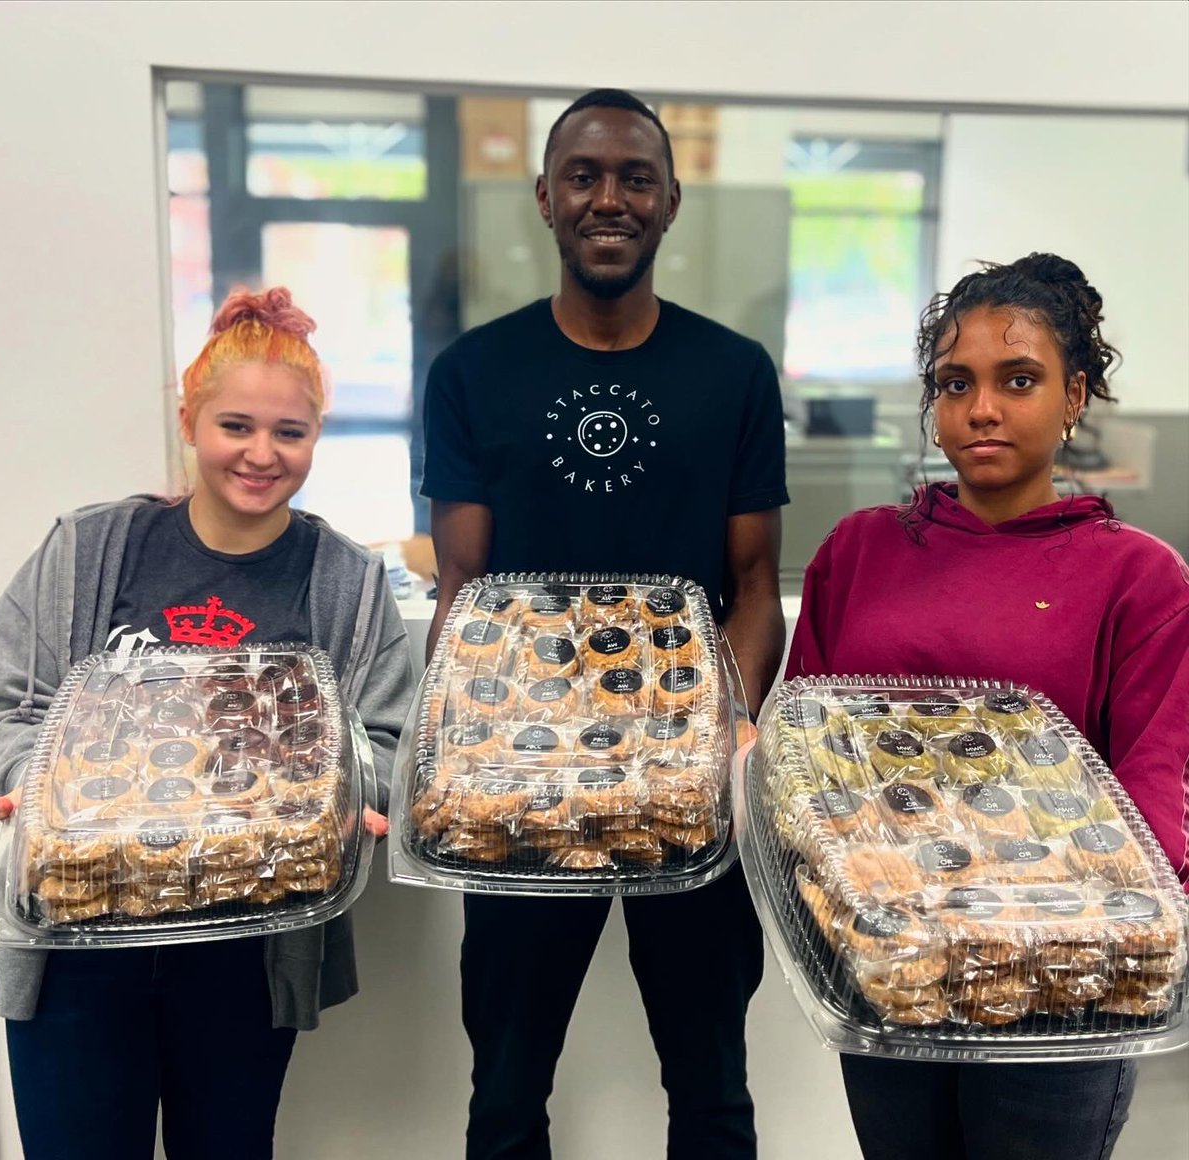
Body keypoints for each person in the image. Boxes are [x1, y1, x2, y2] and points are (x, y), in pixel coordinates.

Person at [421, 88, 789, 1159]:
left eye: (635, 177)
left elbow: (755, 584)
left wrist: (730, 728)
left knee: (714, 1085)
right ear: (546, 196)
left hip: (687, 787)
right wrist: (457, 753)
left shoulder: (733, 373)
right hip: (523, 784)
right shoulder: (473, 375)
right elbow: (463, 588)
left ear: (670, 201)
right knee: (505, 1090)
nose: (609, 197)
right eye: (584, 175)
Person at [0, 287, 415, 1160]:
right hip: (78, 939)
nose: (261, 454)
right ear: (190, 420)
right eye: (235, 426)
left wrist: (340, 798)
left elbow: (383, 744)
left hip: (246, 947)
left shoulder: (343, 579)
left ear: (315, 440)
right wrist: (41, 792)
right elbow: (10, 705)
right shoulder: (92, 547)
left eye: (288, 434)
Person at [786, 252, 1189, 1160]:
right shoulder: (860, 551)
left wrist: (1121, 949)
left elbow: (1151, 791)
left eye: (1019, 380)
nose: (981, 410)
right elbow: (807, 764)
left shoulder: (1139, 578)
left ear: (1075, 394)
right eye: (954, 383)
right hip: (890, 963)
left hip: (1056, 982)